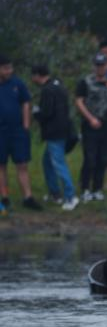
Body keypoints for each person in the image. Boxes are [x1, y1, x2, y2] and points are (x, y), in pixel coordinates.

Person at [30, 66, 78, 210]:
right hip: (64, 130)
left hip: (55, 133)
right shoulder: (59, 85)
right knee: (47, 162)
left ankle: (71, 196)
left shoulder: (47, 90)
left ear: (38, 75)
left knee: (58, 164)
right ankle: (55, 193)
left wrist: (36, 113)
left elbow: (47, 112)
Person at [0, 57, 42, 212]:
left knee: (22, 163)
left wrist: (26, 124)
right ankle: (4, 197)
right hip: (1, 131)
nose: (9, 71)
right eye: (5, 68)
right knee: (1, 165)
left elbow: (26, 102)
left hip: (17, 130)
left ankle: (28, 197)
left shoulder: (17, 84)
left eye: (10, 68)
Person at [75, 53, 107, 203]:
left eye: (103, 65)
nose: (100, 68)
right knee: (90, 157)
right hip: (90, 123)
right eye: (98, 65)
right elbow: (79, 101)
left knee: (104, 157)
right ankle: (85, 188)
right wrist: (90, 118)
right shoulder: (85, 82)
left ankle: (97, 188)